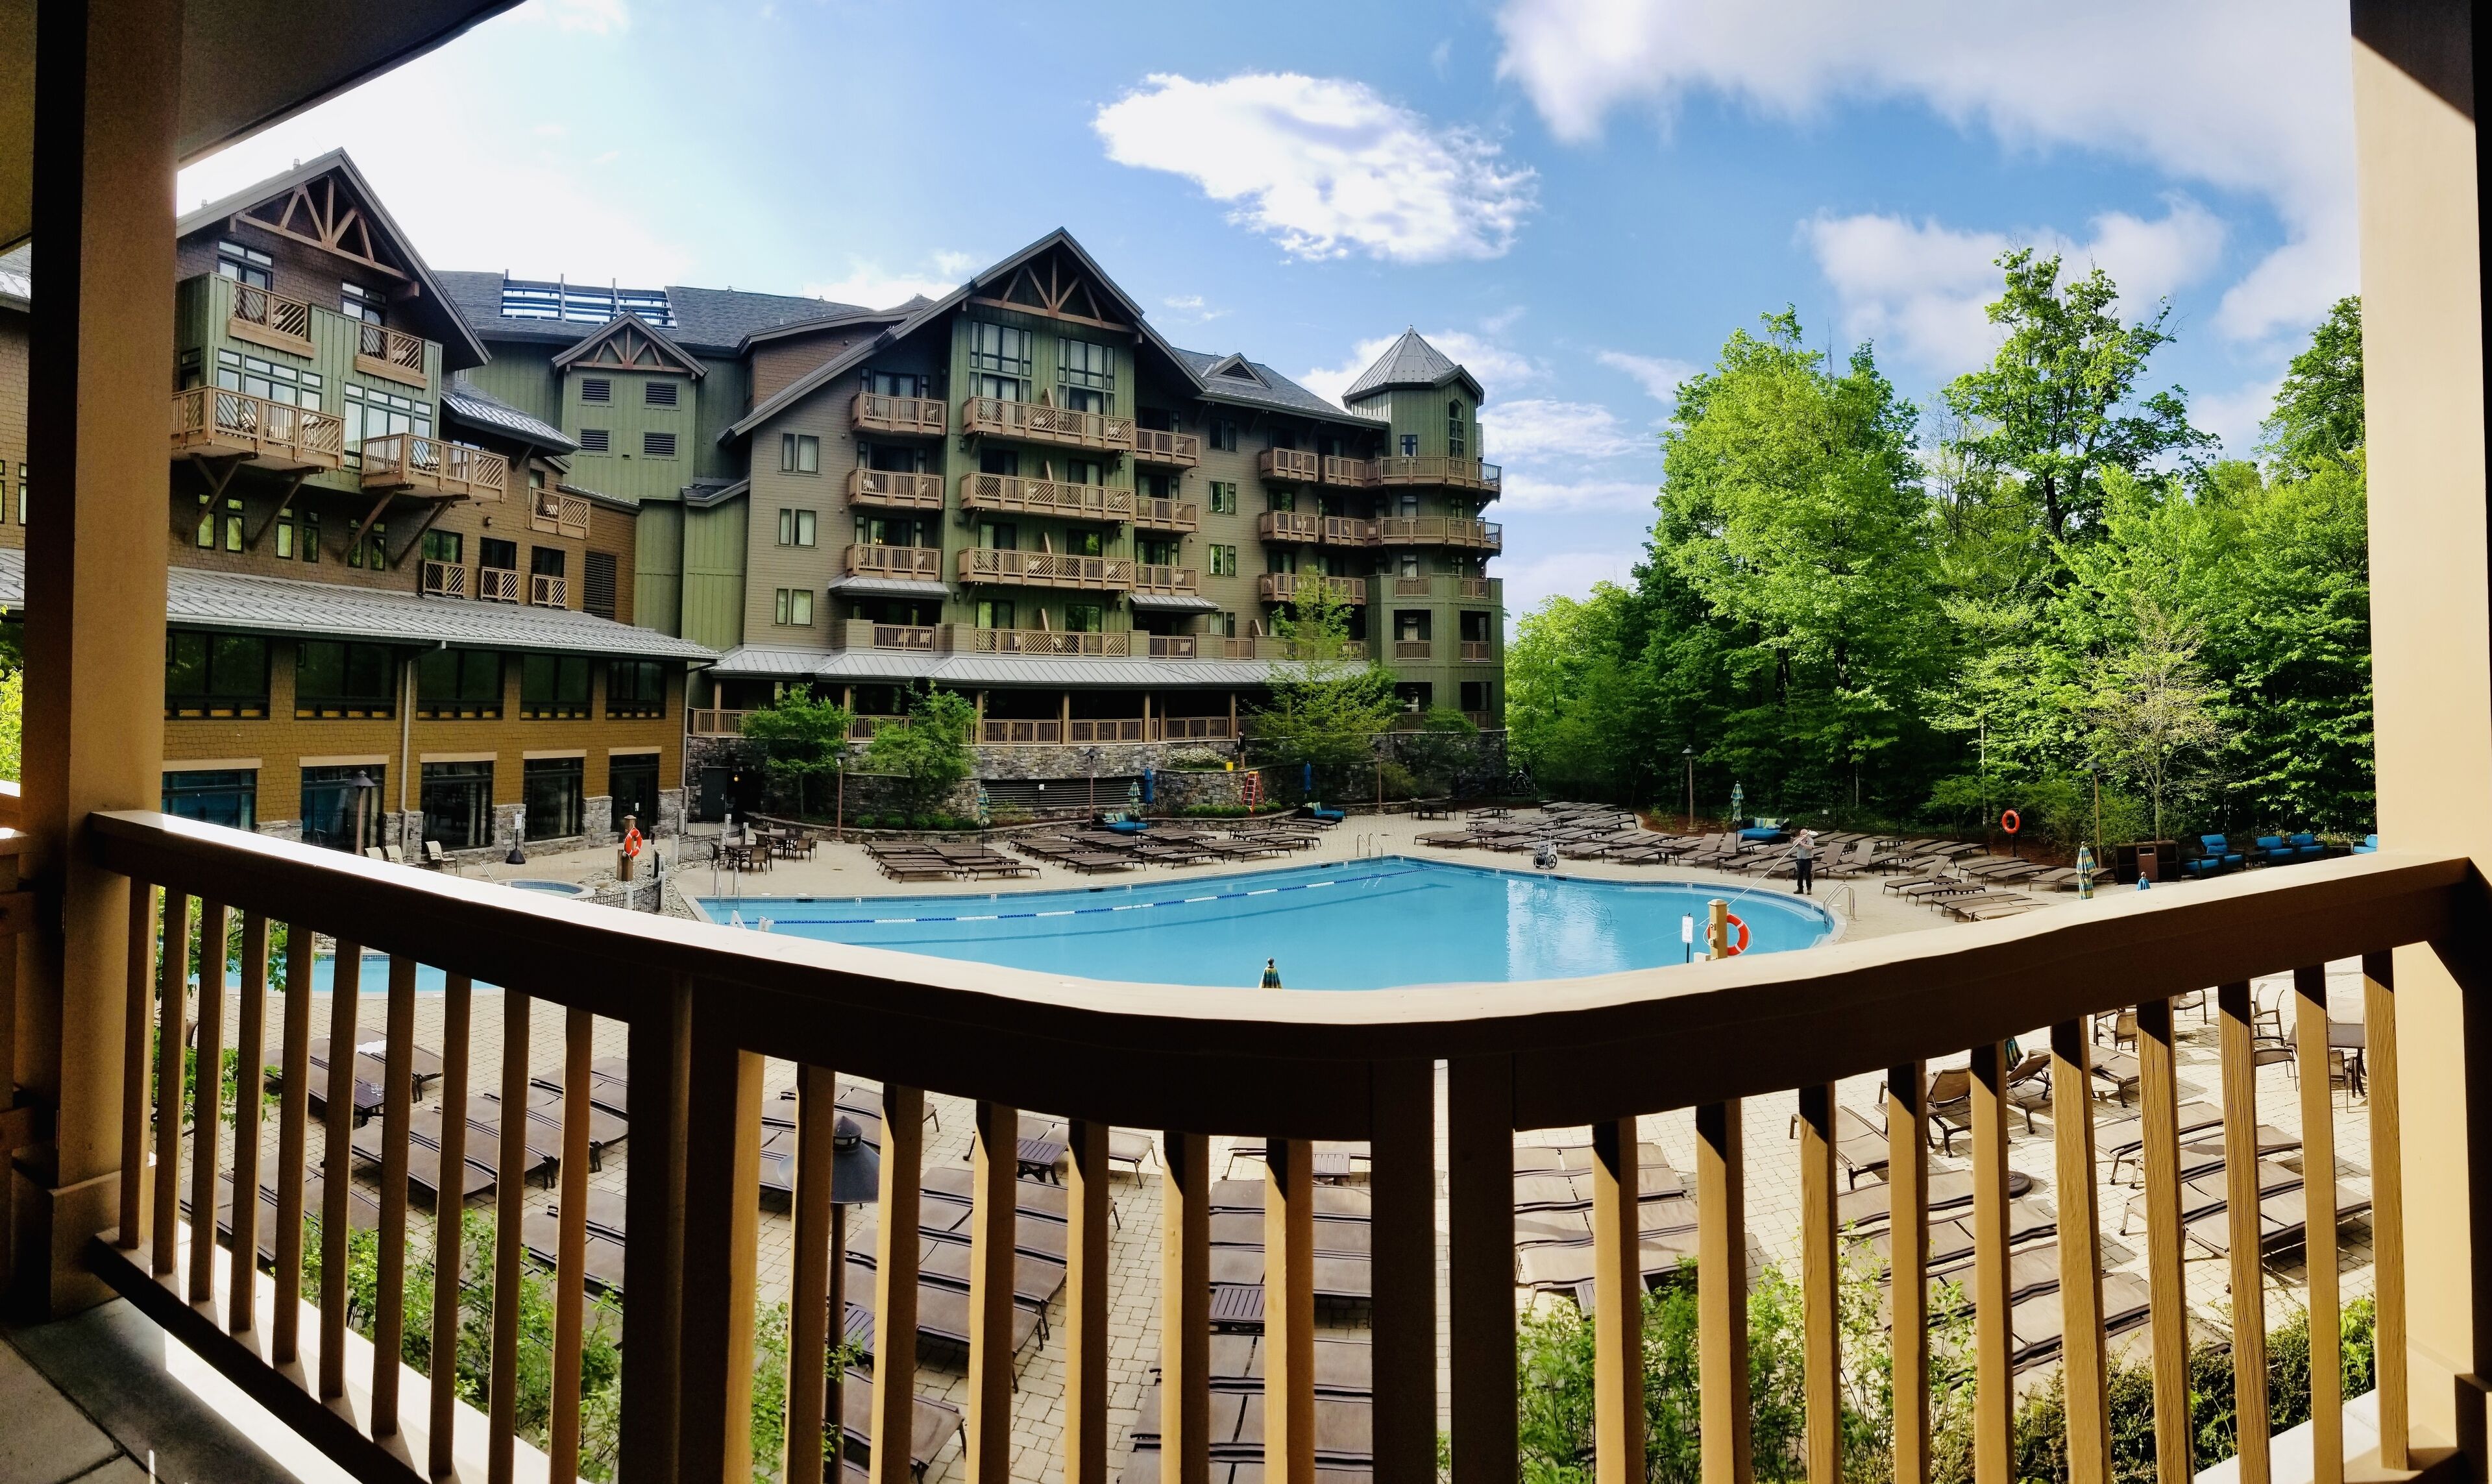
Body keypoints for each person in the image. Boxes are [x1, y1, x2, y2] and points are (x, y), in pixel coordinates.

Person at [1790, 828, 1817, 895]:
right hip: (1800, 859)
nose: (1802, 835)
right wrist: (1800, 839)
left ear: (1807, 834)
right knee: (1799, 875)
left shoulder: (1810, 840)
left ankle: (1809, 889)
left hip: (1807, 860)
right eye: (1801, 834)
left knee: (1807, 875)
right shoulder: (1799, 840)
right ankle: (1800, 888)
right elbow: (1794, 844)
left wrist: (1803, 844)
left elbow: (1811, 847)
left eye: (1804, 834)